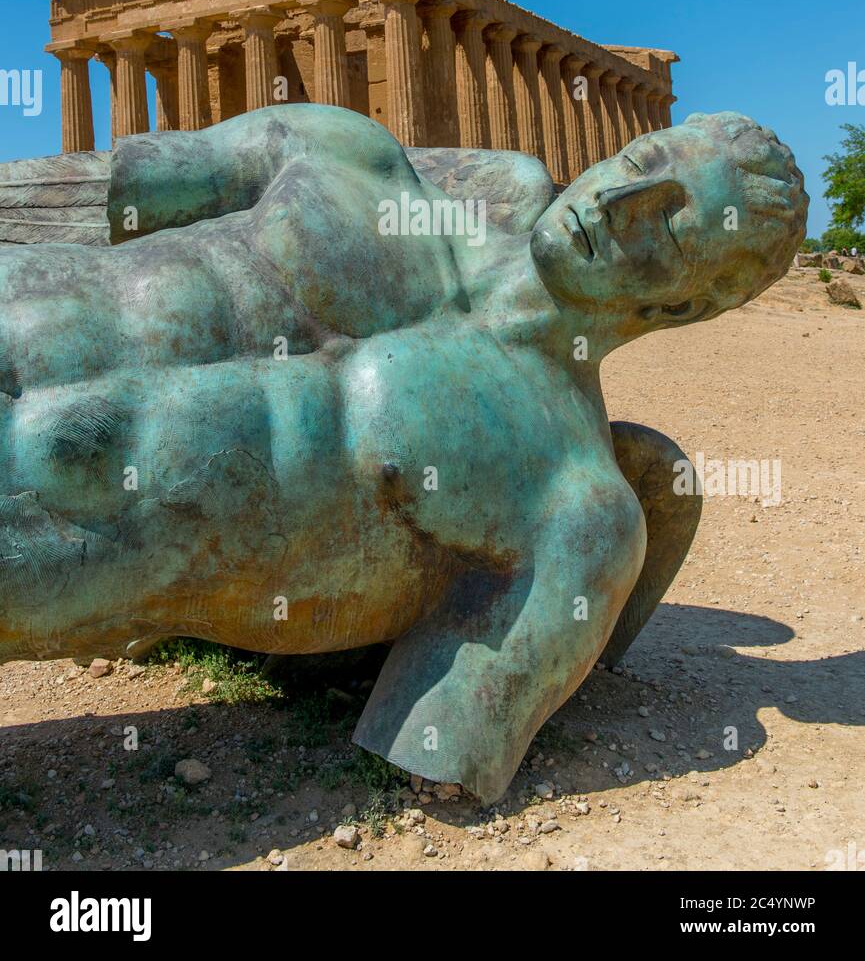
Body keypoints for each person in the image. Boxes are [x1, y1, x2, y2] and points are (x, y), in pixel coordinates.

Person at [0, 105, 808, 801]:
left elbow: (439, 746)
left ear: (693, 302)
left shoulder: (577, 513)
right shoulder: (344, 149)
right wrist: (486, 173)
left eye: (668, 221)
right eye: (636, 163)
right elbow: (95, 192)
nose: (618, 202)